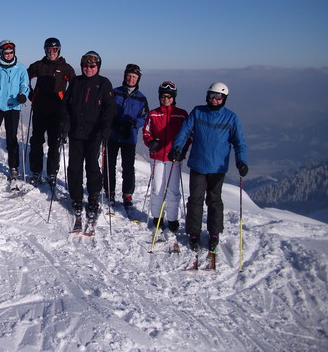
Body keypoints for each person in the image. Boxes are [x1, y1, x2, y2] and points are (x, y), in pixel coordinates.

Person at [169, 82, 248, 252]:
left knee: (214, 200)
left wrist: (241, 161)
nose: (214, 99)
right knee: (195, 200)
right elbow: (185, 131)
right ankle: (194, 232)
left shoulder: (231, 118)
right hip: (198, 164)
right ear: (207, 96)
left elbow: (239, 142)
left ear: (224, 99)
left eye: (218, 97)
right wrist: (177, 147)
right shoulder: (198, 112)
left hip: (217, 167)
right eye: (212, 95)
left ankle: (214, 233)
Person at [63, 51, 116, 222]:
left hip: (94, 133)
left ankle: (93, 197)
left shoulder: (104, 84)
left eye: (92, 66)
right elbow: (66, 105)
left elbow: (109, 108)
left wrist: (106, 127)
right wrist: (65, 123)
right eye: (85, 66)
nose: (88, 68)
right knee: (74, 167)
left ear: (98, 67)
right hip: (76, 133)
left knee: (92, 167)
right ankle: (76, 198)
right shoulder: (75, 82)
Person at [27, 37, 76, 187]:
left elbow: (75, 87)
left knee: (54, 143)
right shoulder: (38, 65)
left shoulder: (66, 68)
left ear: (59, 50)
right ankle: (36, 172)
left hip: (57, 112)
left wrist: (67, 102)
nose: (51, 52)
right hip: (39, 109)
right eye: (48, 49)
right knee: (36, 141)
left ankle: (52, 173)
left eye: (54, 49)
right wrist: (30, 93)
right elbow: (24, 77)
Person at [142, 81, 189, 233]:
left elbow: (188, 134)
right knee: (157, 189)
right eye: (163, 96)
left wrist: (183, 150)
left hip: (173, 158)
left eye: (169, 96)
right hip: (157, 157)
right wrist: (151, 143)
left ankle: (173, 219)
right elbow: (146, 132)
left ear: (174, 97)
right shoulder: (153, 114)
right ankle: (157, 218)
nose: (166, 99)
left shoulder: (181, 114)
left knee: (173, 190)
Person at [0, 40, 30, 181]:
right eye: (6, 53)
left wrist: (23, 95)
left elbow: (25, 85)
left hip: (13, 106)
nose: (9, 55)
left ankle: (13, 167)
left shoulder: (20, 68)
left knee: (12, 138)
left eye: (11, 52)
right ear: (1, 53)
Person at [106, 63, 149, 209]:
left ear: (138, 79)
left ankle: (127, 194)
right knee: (109, 164)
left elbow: (145, 117)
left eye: (134, 77)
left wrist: (133, 123)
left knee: (128, 167)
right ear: (125, 76)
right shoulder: (115, 92)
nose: (131, 79)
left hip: (129, 137)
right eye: (129, 76)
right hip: (113, 134)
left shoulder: (141, 98)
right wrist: (112, 121)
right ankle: (109, 191)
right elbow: (107, 109)